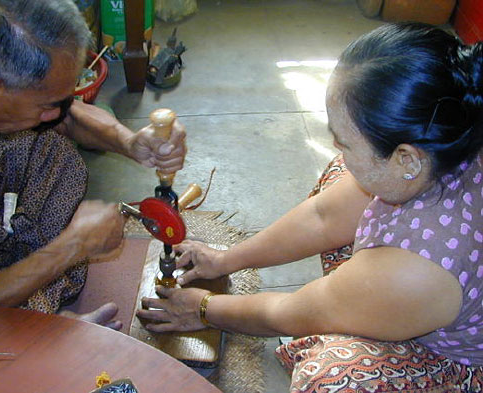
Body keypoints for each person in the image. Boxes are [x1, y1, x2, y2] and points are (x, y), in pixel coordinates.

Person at [137, 23, 483, 391]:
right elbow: (324, 216)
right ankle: (356, 296)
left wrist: (203, 308)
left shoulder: (420, 269)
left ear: (406, 159)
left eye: (345, 141)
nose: (337, 147)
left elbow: (290, 314)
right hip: (414, 280)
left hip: (455, 356)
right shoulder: (441, 143)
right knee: (342, 174)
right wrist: (228, 259)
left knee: (333, 379)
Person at [0, 0, 186, 330]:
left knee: (52, 151)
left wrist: (129, 143)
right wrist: (72, 246)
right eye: (45, 105)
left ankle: (14, 290)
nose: (55, 114)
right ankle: (31, 323)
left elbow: (67, 115)